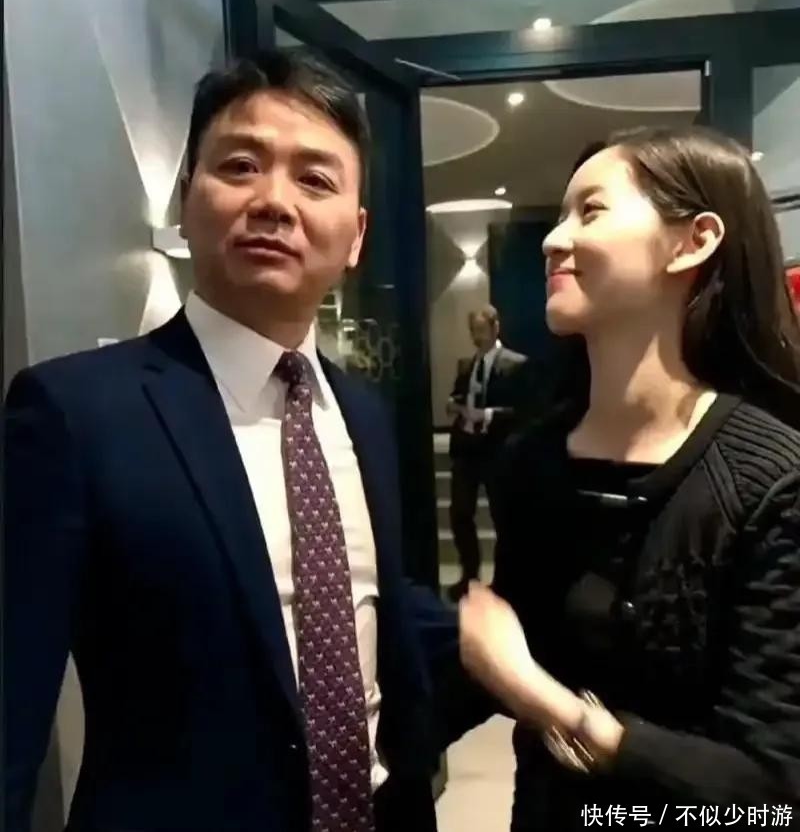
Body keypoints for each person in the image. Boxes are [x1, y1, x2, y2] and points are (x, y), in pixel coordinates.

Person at [4, 50, 455, 832]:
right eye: (240, 166)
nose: (273, 201)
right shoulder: (74, 413)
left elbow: (374, 617)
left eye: (315, 179)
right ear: (187, 201)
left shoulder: (365, 415)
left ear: (356, 236)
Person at [448, 127, 800, 829]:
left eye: (592, 211)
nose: (554, 240)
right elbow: (495, 658)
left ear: (693, 241)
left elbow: (770, 794)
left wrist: (550, 704)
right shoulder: (533, 460)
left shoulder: (773, 480)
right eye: (560, 215)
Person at [445, 306, 528, 601]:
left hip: (497, 451)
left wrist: (488, 414)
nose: (476, 337)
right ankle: (469, 575)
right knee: (460, 514)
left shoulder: (516, 365)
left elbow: (523, 410)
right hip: (466, 448)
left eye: (481, 330)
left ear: (495, 328)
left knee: (502, 516)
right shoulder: (466, 365)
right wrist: (454, 404)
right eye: (473, 331)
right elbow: (457, 395)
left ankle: (506, 580)